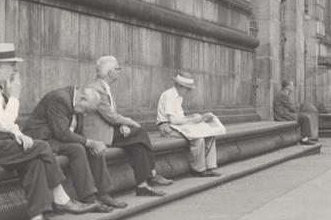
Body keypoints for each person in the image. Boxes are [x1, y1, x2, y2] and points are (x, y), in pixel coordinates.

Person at [0, 43, 94, 220]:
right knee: (42, 148)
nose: (15, 69)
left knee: (35, 161)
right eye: (12, 65)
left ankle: (36, 218)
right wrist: (15, 96)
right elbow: (2, 124)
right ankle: (62, 199)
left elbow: (7, 125)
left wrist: (20, 135)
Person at [24, 85, 126, 211]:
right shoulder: (59, 98)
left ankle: (103, 193)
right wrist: (89, 142)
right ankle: (88, 198)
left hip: (56, 138)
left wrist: (92, 144)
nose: (85, 114)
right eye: (86, 110)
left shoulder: (77, 102)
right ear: (83, 99)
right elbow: (61, 132)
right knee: (78, 149)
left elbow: (79, 133)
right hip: (41, 139)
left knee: (93, 147)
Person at [82, 56, 172, 196]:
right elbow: (110, 116)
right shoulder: (96, 89)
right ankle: (152, 173)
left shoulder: (104, 87)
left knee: (137, 144)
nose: (120, 71)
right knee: (140, 132)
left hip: (110, 129)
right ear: (110, 72)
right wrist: (129, 122)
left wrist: (121, 126)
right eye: (118, 68)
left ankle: (142, 186)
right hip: (100, 135)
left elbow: (110, 114)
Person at [156, 73, 221, 177]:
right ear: (180, 86)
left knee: (210, 134)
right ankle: (198, 169)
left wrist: (195, 118)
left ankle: (210, 167)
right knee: (198, 138)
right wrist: (193, 120)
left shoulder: (178, 96)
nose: (188, 92)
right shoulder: (168, 96)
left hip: (178, 126)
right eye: (188, 89)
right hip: (167, 127)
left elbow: (180, 118)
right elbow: (173, 120)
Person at [272, 80, 317, 145]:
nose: (293, 87)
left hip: (283, 114)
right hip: (282, 116)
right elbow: (292, 108)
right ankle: (304, 139)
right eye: (292, 85)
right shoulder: (283, 95)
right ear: (287, 86)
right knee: (304, 118)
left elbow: (290, 107)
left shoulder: (283, 93)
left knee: (302, 117)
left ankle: (302, 137)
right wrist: (297, 109)